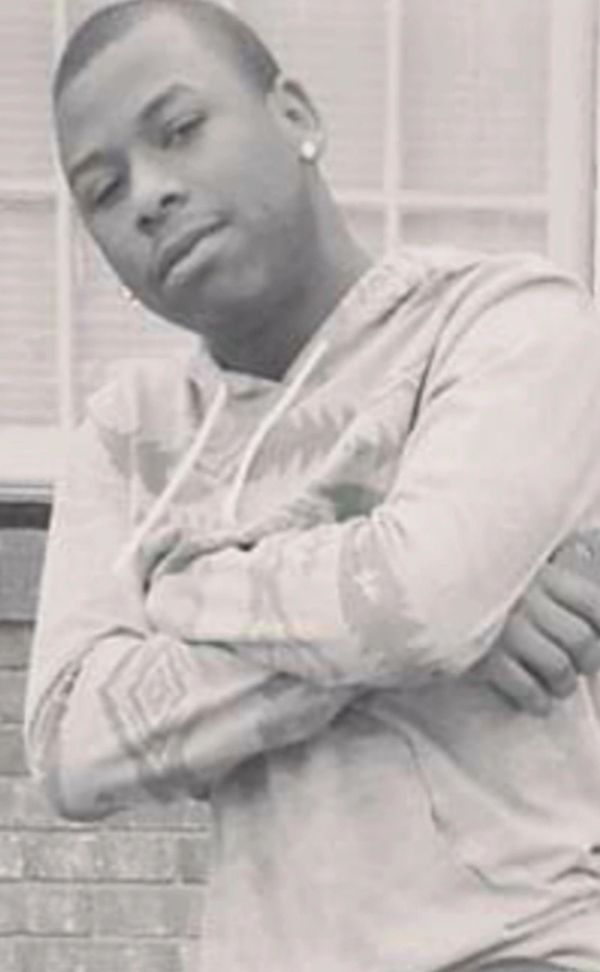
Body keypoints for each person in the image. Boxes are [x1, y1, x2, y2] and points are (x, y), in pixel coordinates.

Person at [23, 2, 600, 970]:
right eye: (103, 191)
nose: (149, 196)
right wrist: (415, 614)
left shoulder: (502, 321)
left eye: (180, 129)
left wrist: (182, 587)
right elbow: (70, 748)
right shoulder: (130, 432)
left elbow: (420, 602)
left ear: (295, 115)